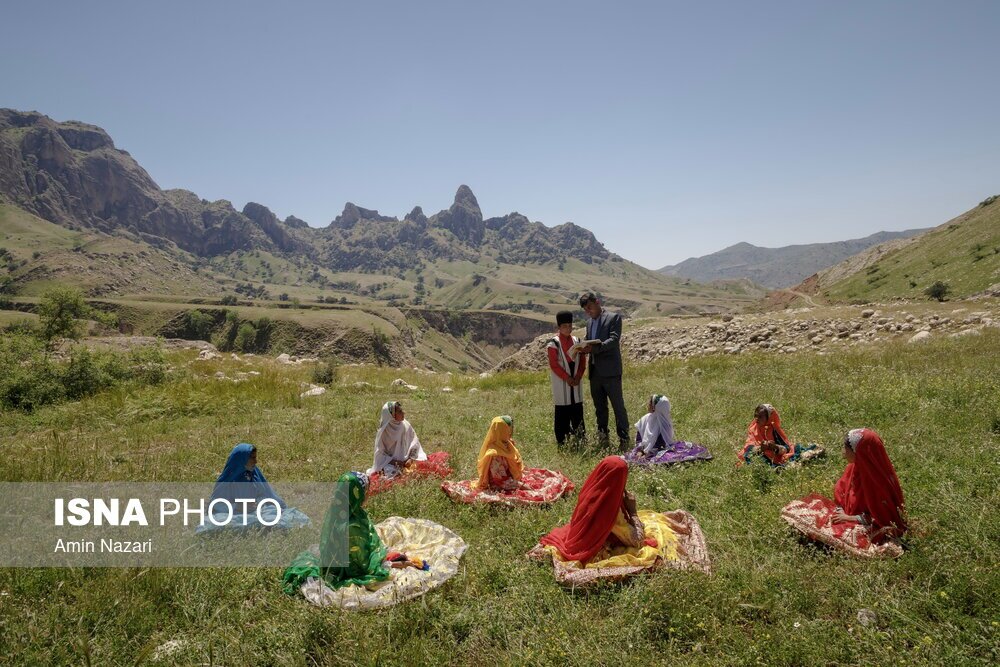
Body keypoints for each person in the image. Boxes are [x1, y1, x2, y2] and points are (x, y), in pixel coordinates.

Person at [282, 471, 425, 594]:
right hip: (349, 568)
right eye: (366, 491)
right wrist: (395, 563)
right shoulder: (352, 527)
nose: (368, 495)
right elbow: (360, 567)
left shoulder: (339, 511)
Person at [538, 456, 650, 564]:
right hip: (591, 548)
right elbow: (637, 541)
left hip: (582, 534)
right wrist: (633, 512)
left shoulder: (591, 490)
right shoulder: (611, 511)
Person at [831, 428, 907, 540]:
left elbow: (882, 518)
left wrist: (849, 518)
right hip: (847, 517)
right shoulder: (854, 468)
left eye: (847, 449)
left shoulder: (878, 482)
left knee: (851, 536)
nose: (843, 452)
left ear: (860, 453)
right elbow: (841, 493)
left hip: (867, 524)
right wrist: (840, 511)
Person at [578, 292, 630, 450]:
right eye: (586, 310)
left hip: (611, 371)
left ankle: (624, 439)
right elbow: (589, 339)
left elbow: (614, 340)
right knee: (599, 407)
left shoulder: (613, 318)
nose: (589, 312)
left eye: (590, 308)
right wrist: (583, 348)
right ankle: (603, 437)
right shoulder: (589, 323)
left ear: (597, 302)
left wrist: (595, 348)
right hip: (595, 372)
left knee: (617, 406)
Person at [626, 395, 712, 465]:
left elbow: (663, 444)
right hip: (643, 449)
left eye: (650, 403)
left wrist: (648, 451)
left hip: (658, 450)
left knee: (668, 457)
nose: (647, 404)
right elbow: (639, 439)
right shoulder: (644, 419)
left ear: (655, 407)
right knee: (635, 458)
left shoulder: (665, 423)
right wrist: (641, 450)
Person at [546, 310, 587, 446]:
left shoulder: (577, 341)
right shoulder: (553, 344)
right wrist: (567, 378)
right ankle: (562, 441)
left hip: (576, 382)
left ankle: (580, 438)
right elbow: (554, 365)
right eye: (564, 326)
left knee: (577, 410)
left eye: (570, 326)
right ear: (559, 327)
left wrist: (578, 376)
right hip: (561, 384)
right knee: (562, 412)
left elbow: (582, 362)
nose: (568, 329)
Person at [738, 403, 820, 467]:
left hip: (774, 456)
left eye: (760, 417)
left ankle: (777, 468)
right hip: (760, 454)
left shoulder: (774, 430)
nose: (756, 419)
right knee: (748, 455)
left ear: (768, 418)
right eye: (755, 416)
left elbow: (786, 448)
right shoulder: (753, 429)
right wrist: (760, 449)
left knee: (796, 450)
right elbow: (748, 446)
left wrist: (774, 447)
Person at [210, 443, 286, 510]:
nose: (256, 461)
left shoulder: (254, 474)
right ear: (242, 459)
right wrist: (237, 506)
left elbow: (268, 495)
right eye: (252, 458)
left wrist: (258, 503)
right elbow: (216, 504)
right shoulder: (228, 479)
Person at [366, 400, 427, 477]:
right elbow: (380, 455)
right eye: (400, 411)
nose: (403, 413)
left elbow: (415, 443)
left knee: (419, 466)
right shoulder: (384, 432)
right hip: (391, 463)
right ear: (392, 415)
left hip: (407, 460)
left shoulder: (405, 425)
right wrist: (396, 462)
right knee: (389, 471)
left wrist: (411, 458)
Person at [473, 416, 524, 491]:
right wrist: (521, 485)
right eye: (508, 429)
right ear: (502, 431)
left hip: (509, 478)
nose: (510, 432)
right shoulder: (495, 454)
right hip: (499, 485)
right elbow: (499, 480)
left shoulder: (507, 443)